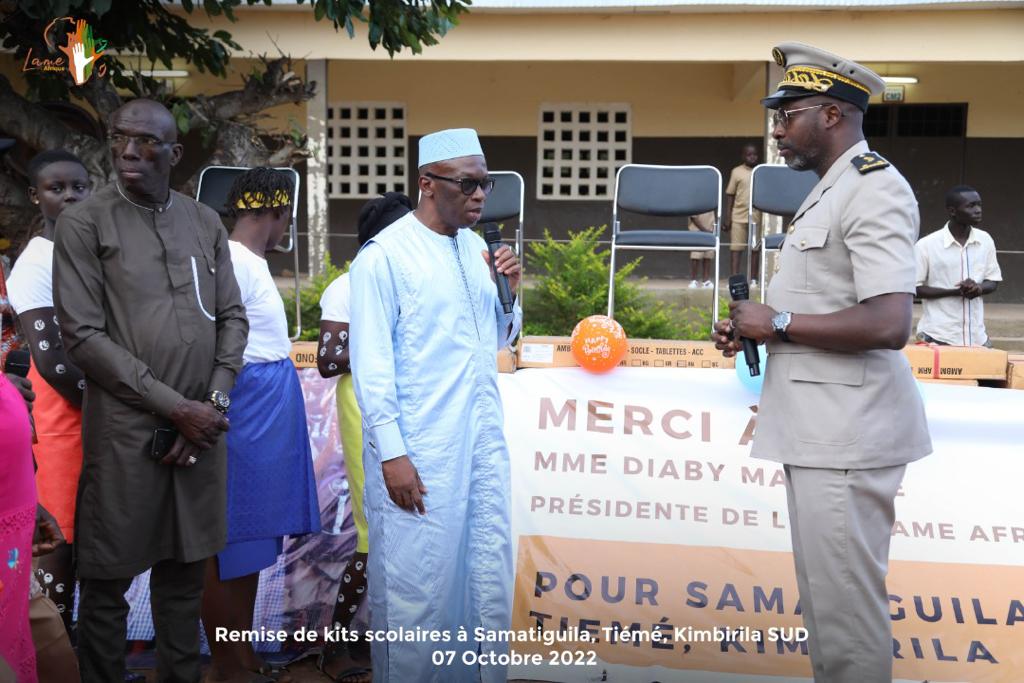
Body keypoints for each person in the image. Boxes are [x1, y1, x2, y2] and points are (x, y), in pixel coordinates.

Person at [712, 43, 931, 683]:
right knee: (829, 613)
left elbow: (889, 323)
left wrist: (779, 322)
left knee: (847, 621)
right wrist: (758, 331)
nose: (778, 132)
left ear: (832, 115)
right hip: (822, 430)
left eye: (788, 116)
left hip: (846, 435)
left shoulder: (873, 189)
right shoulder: (831, 190)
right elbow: (826, 304)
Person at [52, 98, 249, 683]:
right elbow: (82, 336)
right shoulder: (85, 223)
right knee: (107, 579)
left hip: (200, 434)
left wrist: (210, 407)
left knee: (185, 577)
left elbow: (232, 318)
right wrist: (177, 409)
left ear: (175, 152)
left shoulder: (203, 221)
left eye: (146, 142)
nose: (130, 151)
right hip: (126, 432)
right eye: (120, 138)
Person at [349, 128, 522, 683]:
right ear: (427, 183)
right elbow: (371, 366)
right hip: (420, 452)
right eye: (468, 184)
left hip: (480, 445)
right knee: (417, 592)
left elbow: (499, 340)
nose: (480, 195)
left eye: (486, 184)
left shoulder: (478, 250)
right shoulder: (384, 257)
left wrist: (511, 293)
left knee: (483, 578)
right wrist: (392, 454)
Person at [200, 167, 320, 683]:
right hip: (245, 412)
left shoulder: (249, 261)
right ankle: (227, 666)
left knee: (249, 545)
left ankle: (242, 657)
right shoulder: (233, 261)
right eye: (287, 216)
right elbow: (216, 345)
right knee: (229, 542)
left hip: (263, 411)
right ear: (278, 211)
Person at [316, 192, 412, 683]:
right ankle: (334, 647)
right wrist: (385, 347)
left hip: (408, 407)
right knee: (373, 533)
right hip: (363, 407)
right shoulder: (347, 286)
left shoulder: (411, 280)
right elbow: (328, 360)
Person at [7, 150, 91, 633]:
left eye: (79, 186)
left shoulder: (87, 253)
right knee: (60, 535)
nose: (70, 196)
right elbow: (54, 363)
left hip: (95, 413)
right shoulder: (36, 262)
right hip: (60, 416)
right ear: (35, 196)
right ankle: (54, 650)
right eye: (56, 188)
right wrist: (117, 404)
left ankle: (83, 655)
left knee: (90, 539)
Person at [914, 185, 1002, 347]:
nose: (978, 210)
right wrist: (955, 292)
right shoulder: (926, 245)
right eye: (971, 206)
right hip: (937, 338)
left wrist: (978, 288)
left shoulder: (985, 240)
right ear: (952, 211)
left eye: (979, 205)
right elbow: (914, 289)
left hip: (977, 339)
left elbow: (993, 281)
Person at [721, 143, 762, 284]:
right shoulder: (736, 171)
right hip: (738, 216)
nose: (752, 157)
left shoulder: (761, 171)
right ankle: (735, 279)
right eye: (749, 155)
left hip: (756, 216)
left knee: (755, 248)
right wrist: (728, 217)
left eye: (755, 154)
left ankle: (753, 279)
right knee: (736, 248)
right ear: (743, 156)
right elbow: (730, 195)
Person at [687, 211, 715, 289]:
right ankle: (693, 280)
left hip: (710, 230)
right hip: (696, 230)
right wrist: (704, 230)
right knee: (696, 256)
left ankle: (706, 281)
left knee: (708, 256)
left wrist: (710, 230)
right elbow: (693, 217)